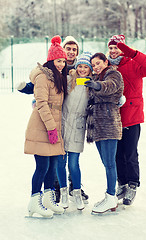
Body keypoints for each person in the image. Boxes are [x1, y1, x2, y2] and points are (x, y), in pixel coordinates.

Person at [17, 36, 89, 203]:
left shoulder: (80, 68)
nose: (70, 52)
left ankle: (72, 185)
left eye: (74, 49)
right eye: (68, 49)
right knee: (55, 160)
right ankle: (55, 189)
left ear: (77, 53)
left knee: (71, 159)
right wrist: (28, 89)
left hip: (71, 119)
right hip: (55, 118)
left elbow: (83, 82)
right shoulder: (52, 66)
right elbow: (40, 83)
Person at [107, 35, 146, 205]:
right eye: (111, 48)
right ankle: (121, 183)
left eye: (117, 47)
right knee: (116, 154)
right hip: (113, 118)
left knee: (129, 153)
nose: (114, 51)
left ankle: (132, 184)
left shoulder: (134, 64)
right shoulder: (107, 66)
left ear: (124, 49)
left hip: (131, 117)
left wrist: (133, 53)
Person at [25, 35, 67, 218]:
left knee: (53, 165)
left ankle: (49, 199)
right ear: (51, 60)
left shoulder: (58, 77)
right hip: (42, 126)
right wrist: (51, 128)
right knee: (42, 166)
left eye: (63, 61)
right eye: (58, 61)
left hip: (53, 125)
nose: (61, 64)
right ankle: (34, 201)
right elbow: (41, 104)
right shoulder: (43, 77)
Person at [85, 53, 124, 214]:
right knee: (106, 163)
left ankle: (110, 196)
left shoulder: (113, 73)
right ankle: (110, 196)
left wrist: (97, 86)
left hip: (109, 123)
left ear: (105, 62)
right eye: (93, 65)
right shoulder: (96, 76)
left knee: (109, 163)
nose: (96, 67)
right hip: (98, 126)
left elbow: (111, 86)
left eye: (98, 63)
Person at [57, 52, 92, 210]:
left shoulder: (91, 84)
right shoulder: (68, 79)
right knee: (60, 162)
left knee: (73, 164)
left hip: (78, 126)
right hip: (63, 124)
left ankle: (76, 193)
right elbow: (53, 90)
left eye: (86, 67)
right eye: (80, 66)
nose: (83, 69)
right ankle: (63, 192)